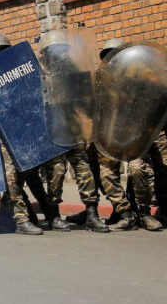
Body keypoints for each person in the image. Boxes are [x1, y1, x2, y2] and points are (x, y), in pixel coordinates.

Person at [38, 31, 109, 233]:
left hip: (73, 129)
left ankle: (92, 213)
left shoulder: (71, 70)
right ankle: (53, 215)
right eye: (53, 50)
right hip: (53, 131)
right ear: (45, 53)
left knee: (84, 170)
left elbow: (85, 100)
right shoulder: (39, 71)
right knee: (57, 172)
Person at [92, 38, 163, 231]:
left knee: (137, 169)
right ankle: (125, 214)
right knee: (106, 174)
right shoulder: (99, 82)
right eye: (108, 57)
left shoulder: (139, 79)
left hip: (134, 139)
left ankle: (144, 213)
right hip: (110, 139)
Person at [0, 34, 46, 236]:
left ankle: (3, 217)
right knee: (11, 178)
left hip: (23, 132)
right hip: (3, 137)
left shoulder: (22, 70)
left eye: (3, 51)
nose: (0, 56)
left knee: (19, 178)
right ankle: (21, 220)